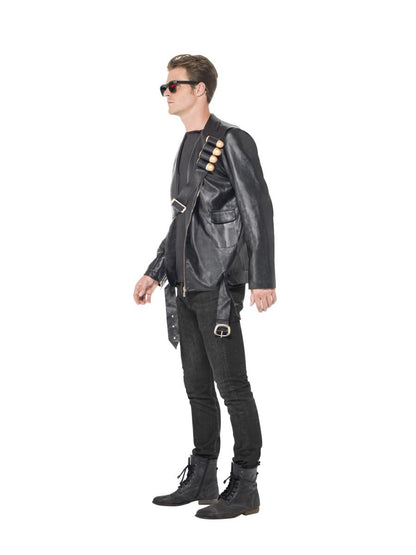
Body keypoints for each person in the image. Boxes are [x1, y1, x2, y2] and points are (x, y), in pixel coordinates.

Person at [133, 54, 276, 519]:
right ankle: (203, 476)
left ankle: (246, 484)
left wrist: (262, 278)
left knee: (233, 387)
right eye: (165, 86)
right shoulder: (187, 144)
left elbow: (258, 209)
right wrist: (155, 270)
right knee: (197, 387)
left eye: (174, 85)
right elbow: (182, 218)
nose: (167, 92)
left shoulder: (232, 139)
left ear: (200, 89)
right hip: (185, 283)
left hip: (217, 285)